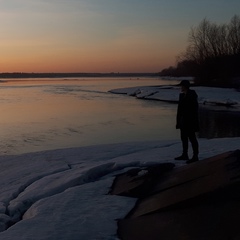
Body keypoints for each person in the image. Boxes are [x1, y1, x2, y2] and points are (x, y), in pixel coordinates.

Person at [175, 80, 199, 163]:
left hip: (190, 121)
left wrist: (194, 122)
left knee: (192, 138)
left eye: (181, 86)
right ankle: (185, 154)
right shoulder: (182, 95)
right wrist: (178, 122)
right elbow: (180, 110)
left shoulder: (192, 95)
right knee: (184, 138)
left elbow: (194, 110)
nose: (180, 87)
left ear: (185, 86)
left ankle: (195, 156)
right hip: (183, 121)